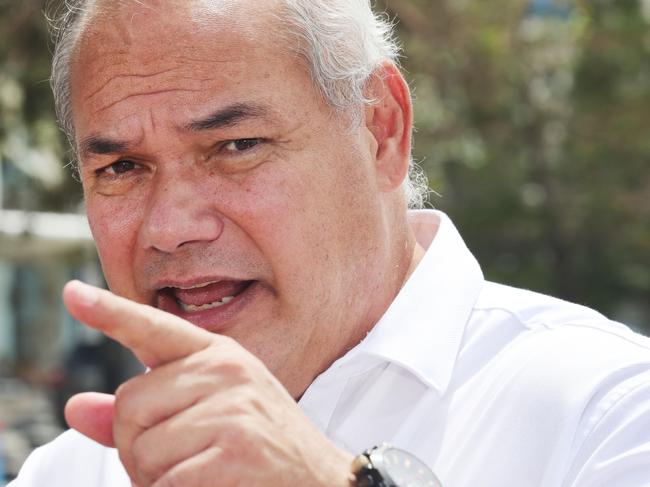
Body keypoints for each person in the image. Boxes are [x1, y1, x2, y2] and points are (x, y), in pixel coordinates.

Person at [9, 0, 650, 486]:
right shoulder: (74, 470)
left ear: (381, 130)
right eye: (121, 168)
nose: (172, 226)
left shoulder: (610, 411)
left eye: (237, 147)